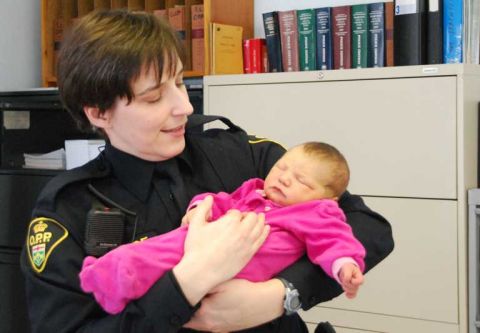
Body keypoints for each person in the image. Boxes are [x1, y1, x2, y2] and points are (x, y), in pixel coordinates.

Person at [20, 9, 394, 333]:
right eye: (154, 97)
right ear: (99, 112)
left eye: (180, 82)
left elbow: (368, 227)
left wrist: (281, 294)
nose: (183, 106)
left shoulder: (242, 156)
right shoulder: (67, 208)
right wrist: (187, 283)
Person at [80, 142, 366, 315]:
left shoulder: (318, 212)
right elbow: (218, 200)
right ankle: (108, 273)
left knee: (164, 257)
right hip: (213, 244)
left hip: (248, 263)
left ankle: (113, 281)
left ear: (330, 199)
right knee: (161, 247)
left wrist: (345, 266)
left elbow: (335, 242)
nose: (284, 179)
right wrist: (198, 208)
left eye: (302, 181)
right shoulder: (253, 190)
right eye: (281, 168)